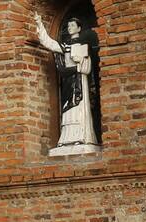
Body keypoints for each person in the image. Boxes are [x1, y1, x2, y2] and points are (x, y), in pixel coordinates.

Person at [33, 14, 100, 155]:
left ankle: (82, 137)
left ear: (79, 28)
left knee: (79, 106)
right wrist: (39, 23)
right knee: (67, 108)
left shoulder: (84, 46)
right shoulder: (65, 46)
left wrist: (79, 61)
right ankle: (66, 138)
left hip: (80, 80)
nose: (70, 28)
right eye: (68, 26)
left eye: (72, 26)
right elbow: (49, 43)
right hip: (68, 80)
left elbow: (87, 68)